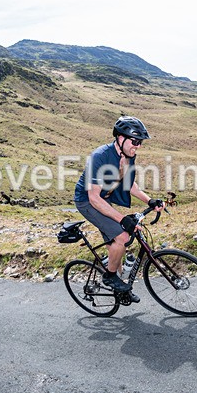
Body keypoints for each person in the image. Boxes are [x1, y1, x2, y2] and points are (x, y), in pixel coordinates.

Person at [73, 116, 163, 300]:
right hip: (88, 201)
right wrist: (121, 219)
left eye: (140, 143)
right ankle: (110, 276)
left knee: (117, 241)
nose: (138, 146)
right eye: (135, 141)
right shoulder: (99, 157)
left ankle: (120, 286)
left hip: (105, 198)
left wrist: (149, 200)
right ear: (120, 138)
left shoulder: (128, 155)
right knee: (122, 236)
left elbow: (130, 185)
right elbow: (94, 198)